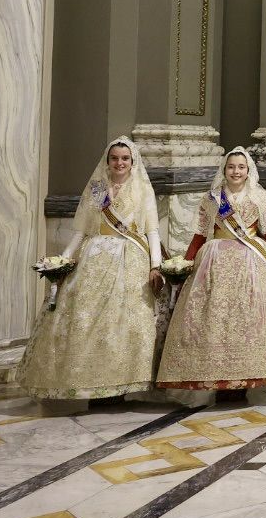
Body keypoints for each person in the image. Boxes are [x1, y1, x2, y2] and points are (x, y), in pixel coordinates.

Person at [20, 137, 162, 401]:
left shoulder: (142, 189)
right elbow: (82, 230)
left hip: (129, 257)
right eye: (114, 158)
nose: (119, 163)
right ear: (107, 161)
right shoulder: (97, 189)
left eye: (125, 158)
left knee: (124, 321)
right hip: (94, 257)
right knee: (85, 318)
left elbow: (152, 230)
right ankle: (88, 384)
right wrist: (62, 260)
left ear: (133, 162)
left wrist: (155, 265)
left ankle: (123, 383)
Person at [156, 147, 266, 393]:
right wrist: (184, 265)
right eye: (231, 167)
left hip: (251, 261)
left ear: (248, 171)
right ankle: (213, 375)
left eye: (241, 167)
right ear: (224, 170)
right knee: (212, 316)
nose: (236, 171)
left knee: (248, 316)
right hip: (214, 259)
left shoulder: (260, 197)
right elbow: (199, 236)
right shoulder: (212, 198)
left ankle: (247, 374)